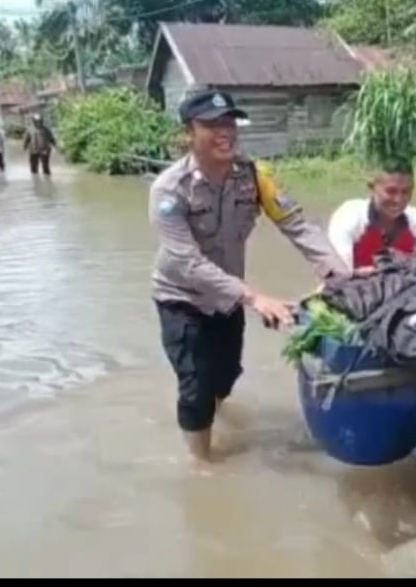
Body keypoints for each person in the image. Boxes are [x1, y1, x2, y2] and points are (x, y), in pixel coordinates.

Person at [149, 87, 352, 468]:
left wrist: (342, 275)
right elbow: (187, 262)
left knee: (225, 376)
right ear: (188, 134)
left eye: (229, 122)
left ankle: (214, 405)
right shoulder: (169, 191)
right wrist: (255, 298)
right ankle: (200, 463)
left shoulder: (254, 177)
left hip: (228, 298)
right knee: (195, 385)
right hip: (181, 298)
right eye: (211, 125)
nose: (224, 131)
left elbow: (296, 224)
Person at [326, 156, 416, 274]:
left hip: (402, 290)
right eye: (391, 191)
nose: (398, 200)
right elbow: (340, 274)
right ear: (372, 188)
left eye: (405, 192)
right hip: (356, 290)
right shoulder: (348, 217)